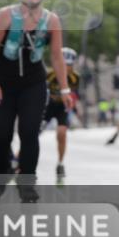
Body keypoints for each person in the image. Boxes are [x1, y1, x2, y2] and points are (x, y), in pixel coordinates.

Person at [0, 0, 73, 203]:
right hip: (3, 84)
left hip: (33, 85)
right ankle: (2, 169)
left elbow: (56, 57)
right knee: (1, 135)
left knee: (29, 133)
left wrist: (65, 89)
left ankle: (27, 183)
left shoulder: (51, 20)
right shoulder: (5, 16)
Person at [44, 46, 80, 182]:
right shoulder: (49, 74)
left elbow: (74, 94)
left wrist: (75, 109)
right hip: (47, 106)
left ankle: (60, 164)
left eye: (69, 65)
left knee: (62, 133)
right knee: (33, 133)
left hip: (62, 107)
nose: (67, 68)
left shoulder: (75, 77)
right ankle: (18, 160)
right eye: (64, 64)